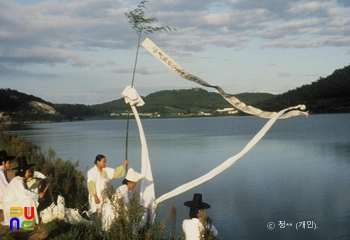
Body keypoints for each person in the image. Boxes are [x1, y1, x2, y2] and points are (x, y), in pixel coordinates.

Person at [86, 154, 128, 230]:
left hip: (105, 197)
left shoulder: (106, 170)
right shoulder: (91, 172)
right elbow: (90, 185)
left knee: (105, 213)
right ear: (97, 161)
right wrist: (95, 197)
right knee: (95, 214)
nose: (105, 163)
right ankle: (95, 230)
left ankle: (105, 230)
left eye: (105, 162)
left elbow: (115, 173)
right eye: (103, 162)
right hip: (96, 196)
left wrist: (123, 165)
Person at [1, 157, 43, 228]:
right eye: (28, 172)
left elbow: (27, 192)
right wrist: (38, 196)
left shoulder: (20, 180)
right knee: (29, 201)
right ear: (23, 172)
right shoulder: (17, 181)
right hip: (10, 210)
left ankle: (30, 220)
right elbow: (24, 194)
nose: (30, 173)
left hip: (12, 206)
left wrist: (36, 194)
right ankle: (28, 222)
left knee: (31, 199)